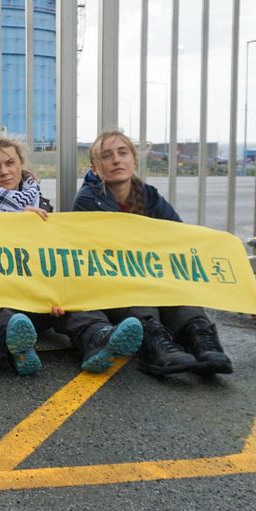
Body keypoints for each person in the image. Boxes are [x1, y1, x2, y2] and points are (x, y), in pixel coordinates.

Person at [0, 132, 143, 374]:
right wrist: (11, 225)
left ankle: (98, 339)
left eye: (10, 163)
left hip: (37, 288)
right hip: (1, 289)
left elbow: (49, 256)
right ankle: (17, 351)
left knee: (72, 296)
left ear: (20, 164)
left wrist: (55, 292)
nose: (4, 171)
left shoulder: (41, 202)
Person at [73, 130, 232, 376]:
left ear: (134, 161)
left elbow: (180, 239)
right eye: (107, 156)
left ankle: (197, 333)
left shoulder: (149, 196)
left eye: (122, 153)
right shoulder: (87, 200)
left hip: (150, 276)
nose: (116, 160)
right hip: (112, 283)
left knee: (179, 287)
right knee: (139, 292)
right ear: (95, 168)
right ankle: (154, 341)